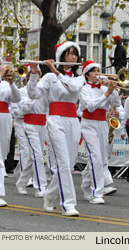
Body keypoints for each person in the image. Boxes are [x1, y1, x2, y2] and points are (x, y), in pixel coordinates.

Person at [27, 41, 84, 216]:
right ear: (62, 56)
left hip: (73, 120)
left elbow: (72, 88)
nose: (73, 57)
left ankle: (50, 195)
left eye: (75, 54)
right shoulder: (50, 78)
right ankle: (68, 204)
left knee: (68, 164)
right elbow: (33, 95)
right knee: (63, 164)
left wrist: (56, 71)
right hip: (55, 120)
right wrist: (33, 76)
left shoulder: (79, 78)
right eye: (70, 53)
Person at [79, 60, 120, 204]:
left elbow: (117, 104)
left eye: (98, 70)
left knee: (101, 160)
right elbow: (90, 107)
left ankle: (86, 183)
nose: (98, 73)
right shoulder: (84, 89)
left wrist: (112, 89)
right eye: (94, 71)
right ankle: (97, 193)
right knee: (95, 157)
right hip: (88, 124)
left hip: (102, 123)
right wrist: (106, 93)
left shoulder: (104, 88)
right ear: (87, 74)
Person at [16, 65, 49, 198]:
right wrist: (33, 95)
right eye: (32, 74)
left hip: (42, 124)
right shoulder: (22, 91)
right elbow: (23, 108)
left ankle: (21, 182)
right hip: (29, 124)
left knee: (33, 156)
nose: (36, 76)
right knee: (37, 155)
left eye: (37, 74)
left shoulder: (44, 89)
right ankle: (40, 186)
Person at [0, 64, 21, 207]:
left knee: (2, 153)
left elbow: (16, 98)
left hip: (5, 117)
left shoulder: (6, 84)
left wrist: (12, 83)